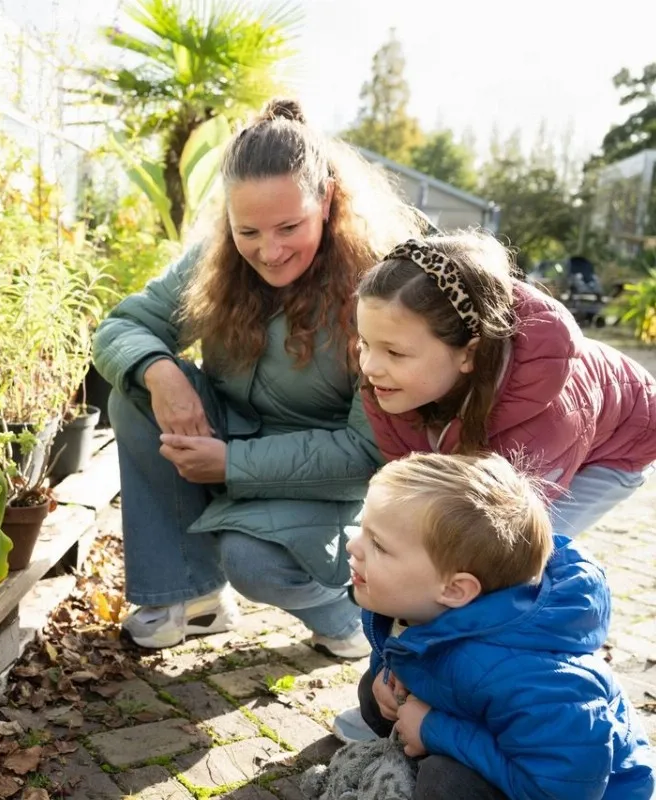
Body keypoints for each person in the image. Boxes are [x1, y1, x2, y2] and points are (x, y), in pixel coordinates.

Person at [92, 97, 425, 656]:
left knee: (252, 561)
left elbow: (367, 450)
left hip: (325, 483)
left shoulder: (381, 282)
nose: (268, 252)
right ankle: (192, 598)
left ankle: (344, 616)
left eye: (289, 226)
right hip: (229, 440)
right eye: (248, 231)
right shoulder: (216, 259)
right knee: (136, 391)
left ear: (328, 200)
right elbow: (123, 325)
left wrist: (230, 464)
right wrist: (159, 373)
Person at [334, 230, 656, 741]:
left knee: (515, 567)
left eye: (393, 351)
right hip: (490, 431)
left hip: (614, 446)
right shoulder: (389, 384)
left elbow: (497, 560)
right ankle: (414, 680)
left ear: (469, 354)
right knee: (431, 551)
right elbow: (412, 512)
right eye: (365, 344)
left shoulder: (547, 417)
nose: (371, 367)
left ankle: (523, 700)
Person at [346, 451, 654, 800]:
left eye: (379, 546)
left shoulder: (534, 679)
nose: (353, 545)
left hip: (571, 788)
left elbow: (563, 790)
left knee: (447, 782)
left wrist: (434, 730)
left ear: (454, 589)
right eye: (363, 529)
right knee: (374, 689)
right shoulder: (414, 606)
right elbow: (404, 649)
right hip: (488, 730)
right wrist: (388, 672)